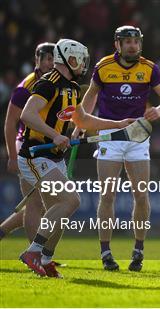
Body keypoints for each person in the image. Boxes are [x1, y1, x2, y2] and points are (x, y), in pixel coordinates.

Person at [18, 38, 134, 278]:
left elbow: (84, 121)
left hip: (54, 156)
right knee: (71, 201)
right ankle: (33, 252)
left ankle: (46, 258)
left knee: (60, 210)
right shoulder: (48, 83)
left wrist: (118, 124)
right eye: (81, 60)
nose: (83, 65)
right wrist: (54, 134)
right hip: (35, 153)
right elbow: (27, 115)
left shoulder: (70, 87)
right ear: (70, 58)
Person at [74, 25, 160, 272]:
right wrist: (80, 123)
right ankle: (106, 253)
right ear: (117, 44)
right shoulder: (104, 67)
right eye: (127, 41)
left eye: (136, 41)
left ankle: (138, 250)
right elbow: (90, 97)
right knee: (107, 195)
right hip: (109, 136)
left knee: (141, 195)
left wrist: (159, 110)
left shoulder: (149, 68)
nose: (133, 45)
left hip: (138, 137)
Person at [1, 43, 54, 242]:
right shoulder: (25, 88)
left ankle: (2, 231)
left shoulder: (58, 83)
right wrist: (12, 158)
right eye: (47, 58)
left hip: (47, 149)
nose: (51, 63)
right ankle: (36, 254)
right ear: (37, 60)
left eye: (54, 59)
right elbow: (10, 124)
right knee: (35, 202)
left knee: (39, 203)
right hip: (26, 146)